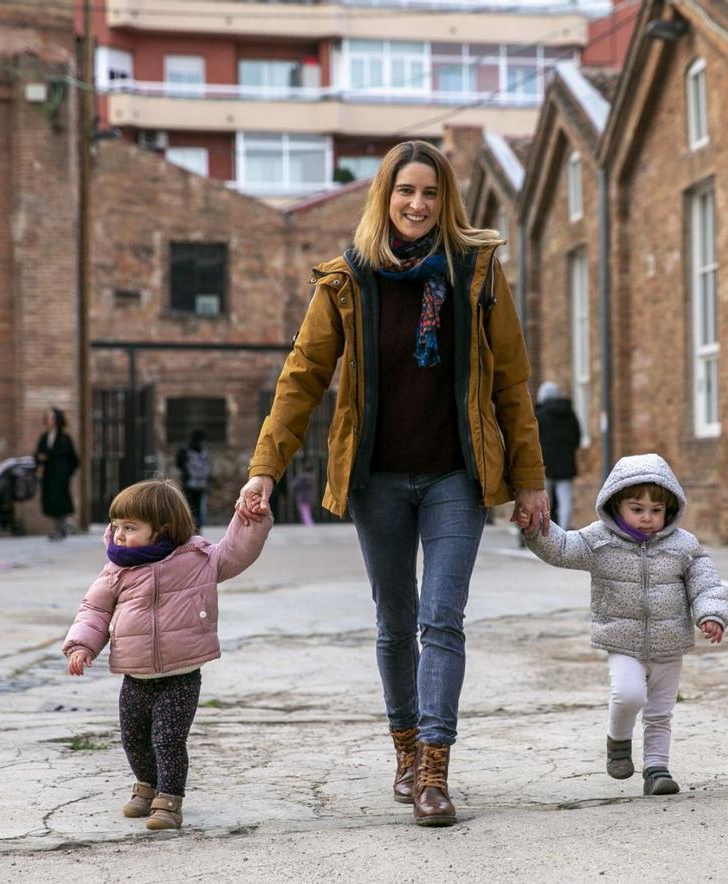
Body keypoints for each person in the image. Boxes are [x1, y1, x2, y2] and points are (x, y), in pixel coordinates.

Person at [233, 140, 548, 827]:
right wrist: (265, 469)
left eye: (430, 193)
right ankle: (404, 754)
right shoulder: (347, 279)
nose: (417, 204)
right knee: (395, 621)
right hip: (376, 480)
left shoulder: (476, 273)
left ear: (446, 201)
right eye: (406, 191)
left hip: (454, 479)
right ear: (385, 196)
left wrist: (531, 480)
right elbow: (302, 377)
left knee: (442, 618)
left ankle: (435, 769)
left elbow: (511, 384)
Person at [62, 479, 271, 830]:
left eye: (130, 528)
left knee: (168, 739)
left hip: (180, 675)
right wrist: (82, 646)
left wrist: (248, 518)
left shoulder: (196, 559)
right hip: (135, 674)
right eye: (116, 527)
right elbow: (94, 611)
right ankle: (147, 786)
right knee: (133, 739)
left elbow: (236, 552)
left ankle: (170, 800)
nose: (119, 535)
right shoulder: (117, 569)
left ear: (162, 529)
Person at [524, 453, 728, 796]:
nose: (648, 518)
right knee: (629, 694)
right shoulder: (598, 541)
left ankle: (657, 770)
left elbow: (705, 583)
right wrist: (534, 526)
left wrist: (710, 615)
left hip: (669, 642)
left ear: (670, 509)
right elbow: (561, 548)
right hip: (622, 640)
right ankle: (618, 741)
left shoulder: (684, 545)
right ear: (616, 505)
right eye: (637, 509)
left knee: (661, 712)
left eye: (656, 510)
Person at [534, 381, 582, 530]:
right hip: (565, 464)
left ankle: (542, 531)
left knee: (543, 501)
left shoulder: (539, 415)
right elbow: (577, 437)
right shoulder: (570, 414)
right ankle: (564, 531)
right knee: (565, 500)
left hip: (544, 465)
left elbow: (533, 441)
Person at [35, 407, 79, 540]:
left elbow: (74, 459)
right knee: (51, 503)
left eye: (52, 417)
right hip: (49, 476)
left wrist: (66, 473)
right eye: (48, 417)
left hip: (60, 477)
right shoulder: (44, 437)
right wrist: (40, 458)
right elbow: (38, 454)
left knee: (60, 502)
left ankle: (59, 530)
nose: (49, 420)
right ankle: (61, 527)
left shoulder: (64, 438)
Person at [176, 429, 211, 531]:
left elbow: (178, 464)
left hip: (188, 482)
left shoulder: (184, 450)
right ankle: (198, 526)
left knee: (189, 505)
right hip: (201, 483)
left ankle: (190, 525)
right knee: (199, 505)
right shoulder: (203, 450)